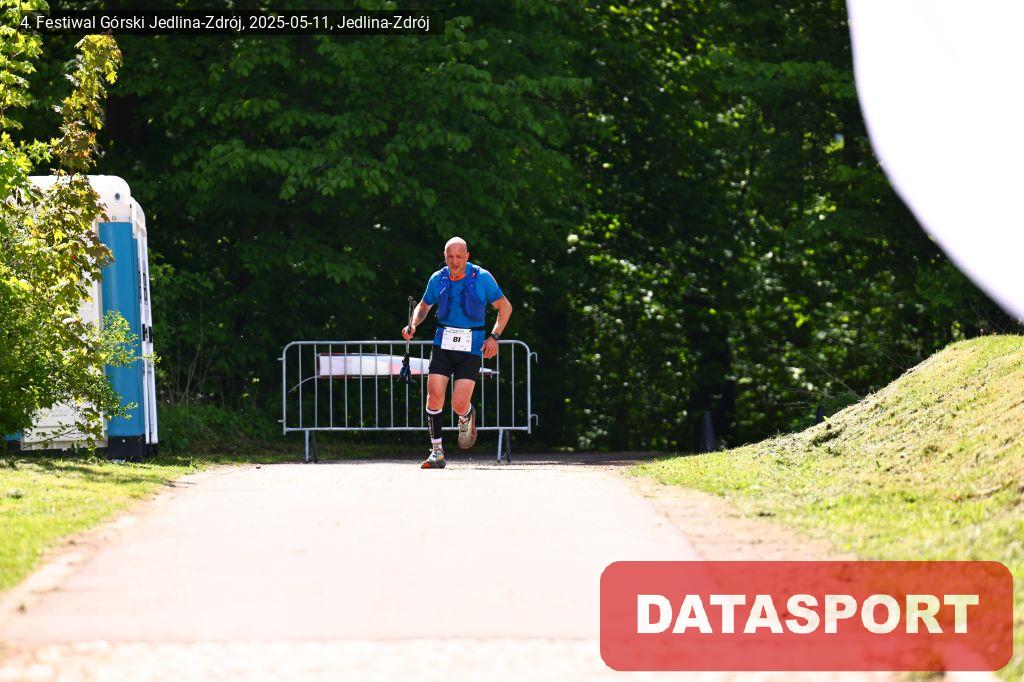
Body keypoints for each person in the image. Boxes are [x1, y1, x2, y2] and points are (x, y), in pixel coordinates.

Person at [401, 237, 513, 469]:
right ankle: (437, 452)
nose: (454, 261)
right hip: (443, 343)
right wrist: (413, 324)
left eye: (459, 256)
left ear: (467, 256)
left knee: (459, 403)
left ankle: (466, 414)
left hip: (471, 346)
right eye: (450, 256)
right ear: (444, 256)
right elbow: (424, 306)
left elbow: (505, 307)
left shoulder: (482, 277)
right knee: (434, 395)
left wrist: (494, 336)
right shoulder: (437, 278)